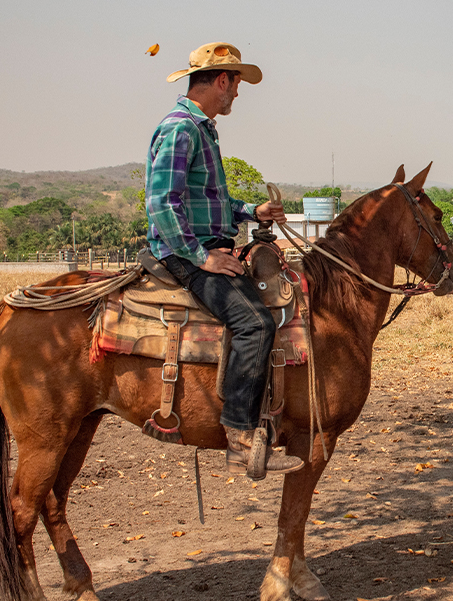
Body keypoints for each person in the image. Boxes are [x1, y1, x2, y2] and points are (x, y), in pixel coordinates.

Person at [145, 42, 304, 479]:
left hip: (203, 245)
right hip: (184, 253)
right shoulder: (181, 129)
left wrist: (252, 212)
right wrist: (202, 257)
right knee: (255, 323)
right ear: (221, 81)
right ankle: (239, 436)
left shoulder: (203, 129)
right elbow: (162, 202)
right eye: (236, 83)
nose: (237, 93)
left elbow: (209, 201)